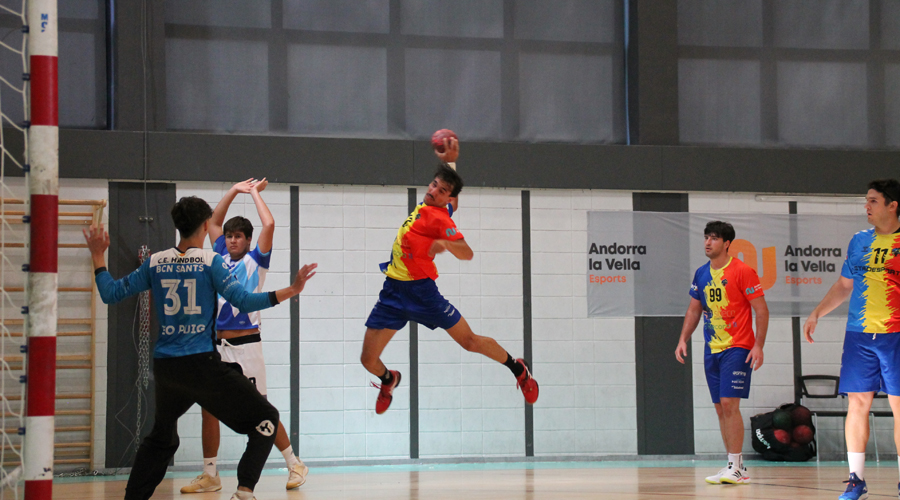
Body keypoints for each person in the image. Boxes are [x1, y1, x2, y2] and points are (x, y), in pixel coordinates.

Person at [84, 196, 317, 500]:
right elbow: (245, 302)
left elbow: (111, 293)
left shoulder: (155, 261)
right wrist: (292, 289)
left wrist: (99, 256)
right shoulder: (211, 262)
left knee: (161, 439)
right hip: (202, 364)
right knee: (266, 418)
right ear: (206, 225)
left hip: (167, 368)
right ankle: (244, 490)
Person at [360, 138, 539, 415]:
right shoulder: (428, 205)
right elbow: (453, 197)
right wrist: (450, 161)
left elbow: (467, 253)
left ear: (446, 197)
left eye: (442, 191)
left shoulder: (441, 220)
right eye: (434, 185)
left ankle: (519, 369)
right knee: (368, 359)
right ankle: (389, 379)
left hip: (423, 294)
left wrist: (446, 244)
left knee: (469, 342)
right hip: (392, 293)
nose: (434, 191)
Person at [180, 179, 308, 494]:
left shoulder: (256, 260)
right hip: (218, 345)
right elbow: (213, 221)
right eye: (229, 236)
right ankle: (210, 474)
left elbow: (270, 223)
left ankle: (294, 463)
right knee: (207, 406)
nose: (232, 240)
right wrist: (234, 190)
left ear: (248, 240)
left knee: (261, 408)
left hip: (247, 345)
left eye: (238, 237)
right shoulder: (220, 255)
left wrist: (253, 194)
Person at [804, 179, 900, 500]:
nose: (866, 206)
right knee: (857, 403)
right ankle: (856, 480)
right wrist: (818, 312)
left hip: (896, 335)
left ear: (893, 205)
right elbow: (845, 286)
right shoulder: (858, 241)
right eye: (866, 200)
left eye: (873, 200)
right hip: (859, 337)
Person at [675, 220, 769, 486]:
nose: (708, 242)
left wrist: (758, 344)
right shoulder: (701, 274)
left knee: (730, 404)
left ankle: (736, 466)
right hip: (711, 348)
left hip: (738, 347)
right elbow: (694, 310)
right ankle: (733, 464)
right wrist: (683, 339)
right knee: (719, 408)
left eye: (714, 238)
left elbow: (761, 310)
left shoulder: (743, 271)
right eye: (706, 237)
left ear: (727, 243)